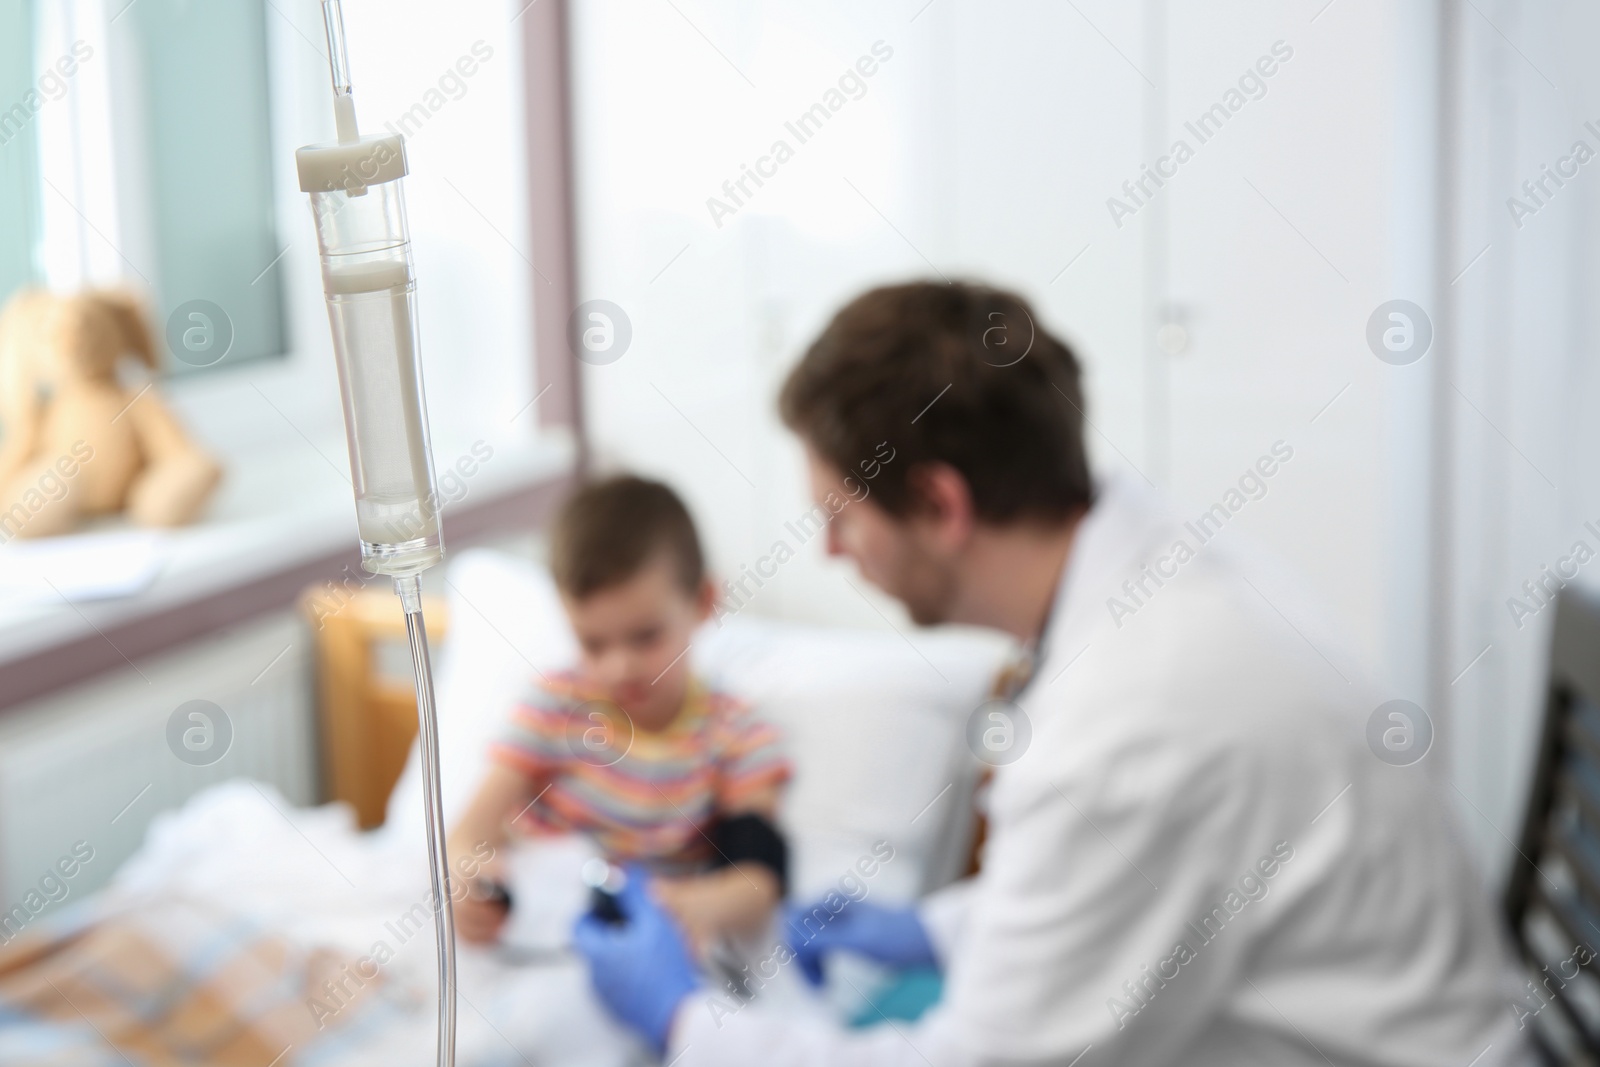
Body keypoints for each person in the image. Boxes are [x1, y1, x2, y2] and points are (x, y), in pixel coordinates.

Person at [571, 283, 1532, 1065]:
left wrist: (684, 1022)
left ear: (940, 504)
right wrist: (940, 928)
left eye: (842, 516)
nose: (827, 551)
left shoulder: (1124, 721)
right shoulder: (1151, 561)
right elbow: (1140, 875)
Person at [447, 475, 791, 956]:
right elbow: (468, 834)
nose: (619, 667)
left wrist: (690, 906)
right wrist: (468, 880)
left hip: (644, 947)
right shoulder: (556, 707)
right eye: (593, 643)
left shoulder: (734, 735)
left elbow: (758, 882)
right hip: (536, 933)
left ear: (703, 602)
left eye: (646, 637)